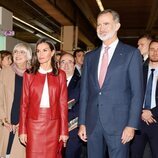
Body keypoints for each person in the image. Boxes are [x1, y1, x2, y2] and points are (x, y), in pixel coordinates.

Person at [78, 9, 144, 158]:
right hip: (93, 122)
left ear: (117, 26)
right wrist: (82, 122)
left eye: (106, 24)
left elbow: (137, 92)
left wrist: (131, 125)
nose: (101, 28)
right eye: (99, 25)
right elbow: (85, 92)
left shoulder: (131, 54)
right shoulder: (90, 57)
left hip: (120, 124)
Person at [19, 38, 68, 158]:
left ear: (52, 53)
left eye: (44, 50)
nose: (40, 54)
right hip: (33, 126)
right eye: (38, 51)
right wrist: (23, 130)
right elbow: (24, 104)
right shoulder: (29, 74)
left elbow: (63, 104)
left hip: (54, 125)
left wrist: (63, 131)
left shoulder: (60, 75)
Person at [0, 43, 32, 158]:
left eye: (22, 52)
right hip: (6, 123)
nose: (17, 54)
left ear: (28, 56)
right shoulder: (5, 72)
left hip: (24, 126)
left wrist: (24, 122)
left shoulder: (34, 75)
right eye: (15, 51)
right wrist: (4, 120)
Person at [130, 39, 158, 158]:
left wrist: (151, 112)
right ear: (148, 51)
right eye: (152, 49)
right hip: (138, 122)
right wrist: (141, 111)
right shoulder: (139, 71)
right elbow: (131, 94)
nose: (155, 52)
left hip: (156, 122)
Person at [60, 53, 81, 158]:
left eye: (69, 62)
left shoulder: (81, 82)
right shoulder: (52, 81)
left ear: (74, 65)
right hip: (53, 128)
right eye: (63, 62)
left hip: (72, 128)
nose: (66, 65)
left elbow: (80, 106)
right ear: (58, 65)